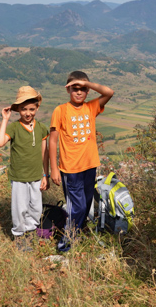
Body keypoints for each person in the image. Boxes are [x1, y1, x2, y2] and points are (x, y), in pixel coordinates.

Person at [49, 71, 114, 252]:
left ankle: (76, 234)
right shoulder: (60, 110)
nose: (79, 92)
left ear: (88, 91)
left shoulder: (91, 107)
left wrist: (88, 83)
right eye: (75, 88)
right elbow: (52, 140)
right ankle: (65, 244)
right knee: (76, 207)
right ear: (68, 89)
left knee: (85, 205)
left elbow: (109, 92)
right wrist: (54, 169)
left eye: (83, 89)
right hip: (70, 168)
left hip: (89, 165)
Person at [0, 86, 50, 251]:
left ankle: (31, 232)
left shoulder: (41, 128)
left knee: (36, 207)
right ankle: (19, 236)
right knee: (20, 208)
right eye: (24, 109)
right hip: (19, 176)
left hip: (36, 175)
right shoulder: (14, 127)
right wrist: (5, 119)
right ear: (17, 109)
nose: (28, 113)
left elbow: (44, 153)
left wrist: (45, 175)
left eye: (32, 109)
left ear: (37, 108)